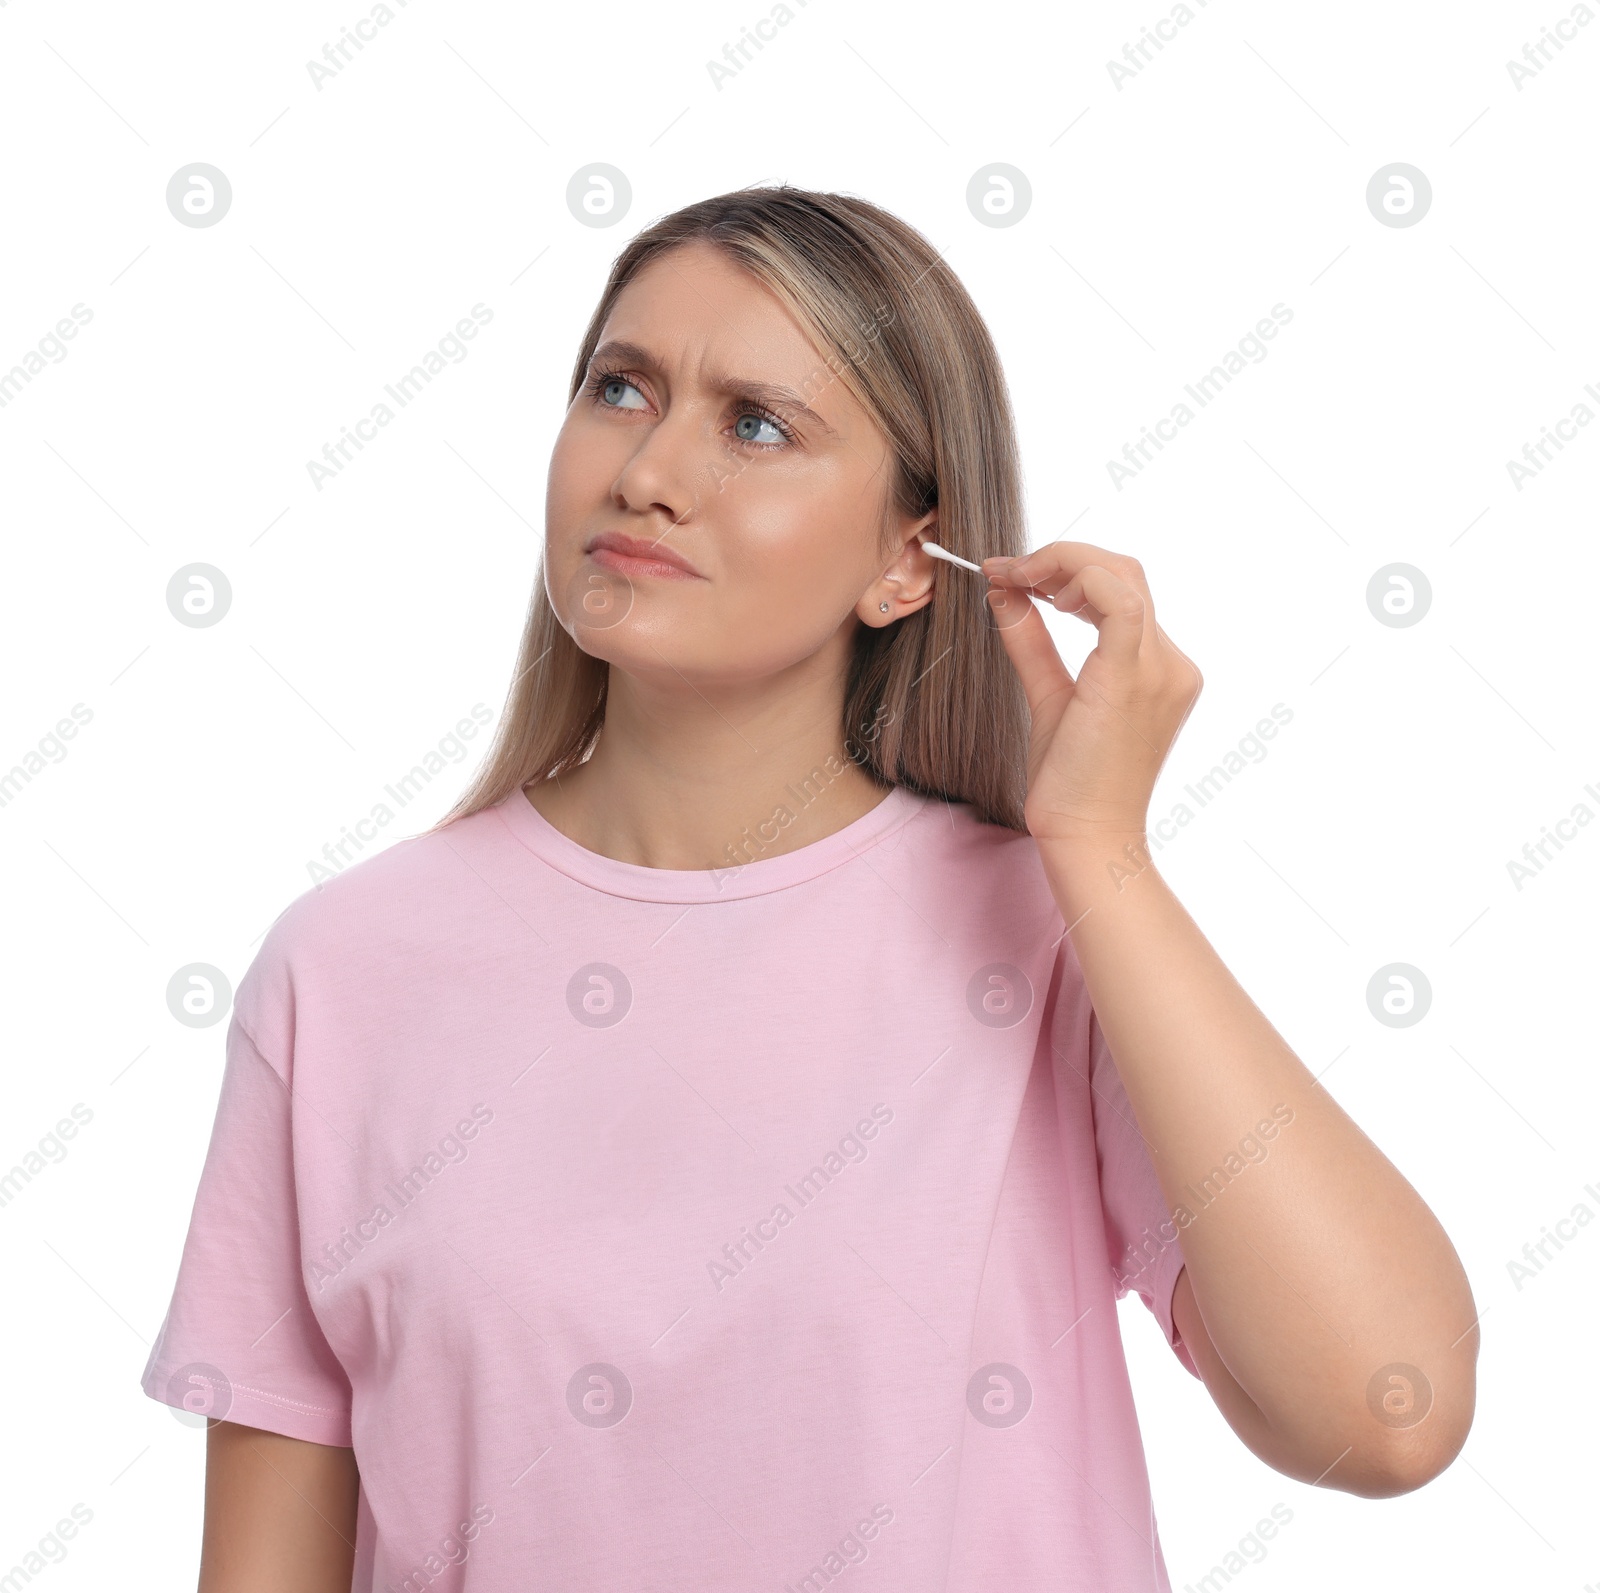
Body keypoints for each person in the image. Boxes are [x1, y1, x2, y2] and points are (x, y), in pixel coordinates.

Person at [141, 184, 1477, 1592]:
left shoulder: (1046, 941)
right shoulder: (346, 969)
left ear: (911, 559)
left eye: (756, 424)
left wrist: (1101, 856)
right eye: (619, 388)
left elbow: (1389, 1414)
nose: (648, 470)